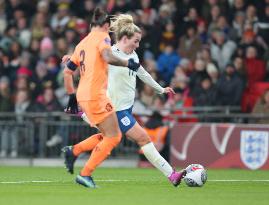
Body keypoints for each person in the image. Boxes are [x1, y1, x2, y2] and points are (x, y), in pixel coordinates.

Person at [62, 14, 186, 187]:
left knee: (107, 137)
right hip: (115, 109)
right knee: (143, 139)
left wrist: (161, 89)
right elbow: (90, 57)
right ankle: (171, 174)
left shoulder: (133, 56)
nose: (138, 45)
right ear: (125, 38)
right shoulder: (110, 53)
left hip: (125, 108)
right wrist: (72, 57)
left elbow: (143, 73)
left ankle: (73, 150)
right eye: (136, 41)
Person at [62, 8, 140, 188]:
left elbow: (67, 72)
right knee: (113, 137)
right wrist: (128, 62)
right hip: (96, 95)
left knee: (107, 135)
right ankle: (85, 174)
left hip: (83, 94)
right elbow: (107, 56)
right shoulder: (103, 37)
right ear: (106, 25)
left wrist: (71, 96)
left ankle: (73, 151)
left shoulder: (81, 44)